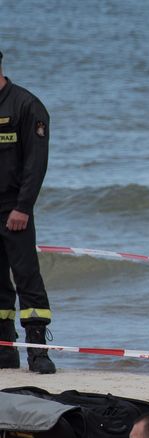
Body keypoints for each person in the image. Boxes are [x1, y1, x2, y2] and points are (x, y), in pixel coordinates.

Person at [0, 51, 56, 375]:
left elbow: (36, 165)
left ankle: (37, 351)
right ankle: (5, 350)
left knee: (27, 279)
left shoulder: (26, 105)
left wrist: (23, 207)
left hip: (14, 210)